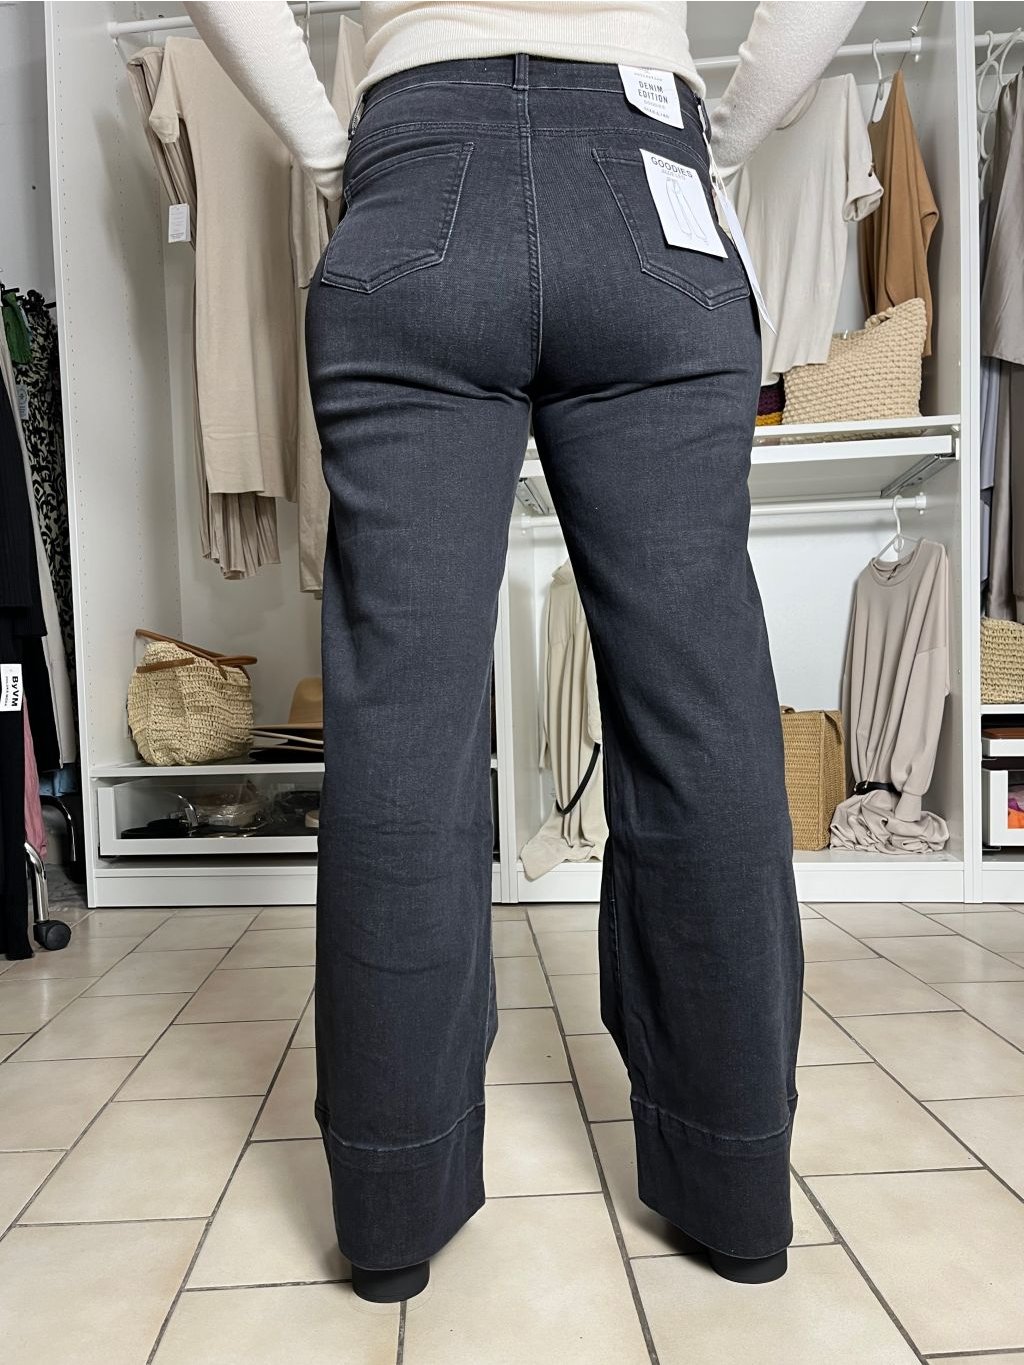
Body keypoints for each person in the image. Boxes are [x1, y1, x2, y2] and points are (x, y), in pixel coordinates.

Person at [186, 0, 864, 1305]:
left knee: (403, 721)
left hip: (412, 169)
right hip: (648, 165)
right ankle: (735, 1191)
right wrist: (716, 141)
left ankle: (394, 1212)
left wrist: (334, 156)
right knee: (701, 708)